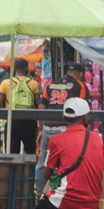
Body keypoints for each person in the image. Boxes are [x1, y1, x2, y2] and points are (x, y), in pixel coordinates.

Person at [30, 98, 104, 209]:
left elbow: (46, 173)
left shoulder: (56, 140)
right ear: (85, 118)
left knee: (29, 207)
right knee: (56, 203)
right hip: (93, 200)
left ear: (64, 119)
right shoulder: (99, 140)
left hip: (70, 198)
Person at [36, 63, 91, 193]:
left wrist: (40, 129)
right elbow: (85, 108)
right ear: (81, 74)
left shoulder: (51, 84)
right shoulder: (80, 85)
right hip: (65, 130)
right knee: (66, 164)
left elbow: (41, 108)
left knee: (42, 163)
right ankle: (63, 194)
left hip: (47, 129)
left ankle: (35, 197)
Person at [0, 58, 41, 154]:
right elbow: (38, 106)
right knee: (30, 154)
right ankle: (29, 169)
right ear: (26, 69)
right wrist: (39, 127)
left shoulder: (6, 83)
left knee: (12, 155)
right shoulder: (34, 84)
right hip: (29, 122)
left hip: (12, 122)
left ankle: (13, 169)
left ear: (14, 69)